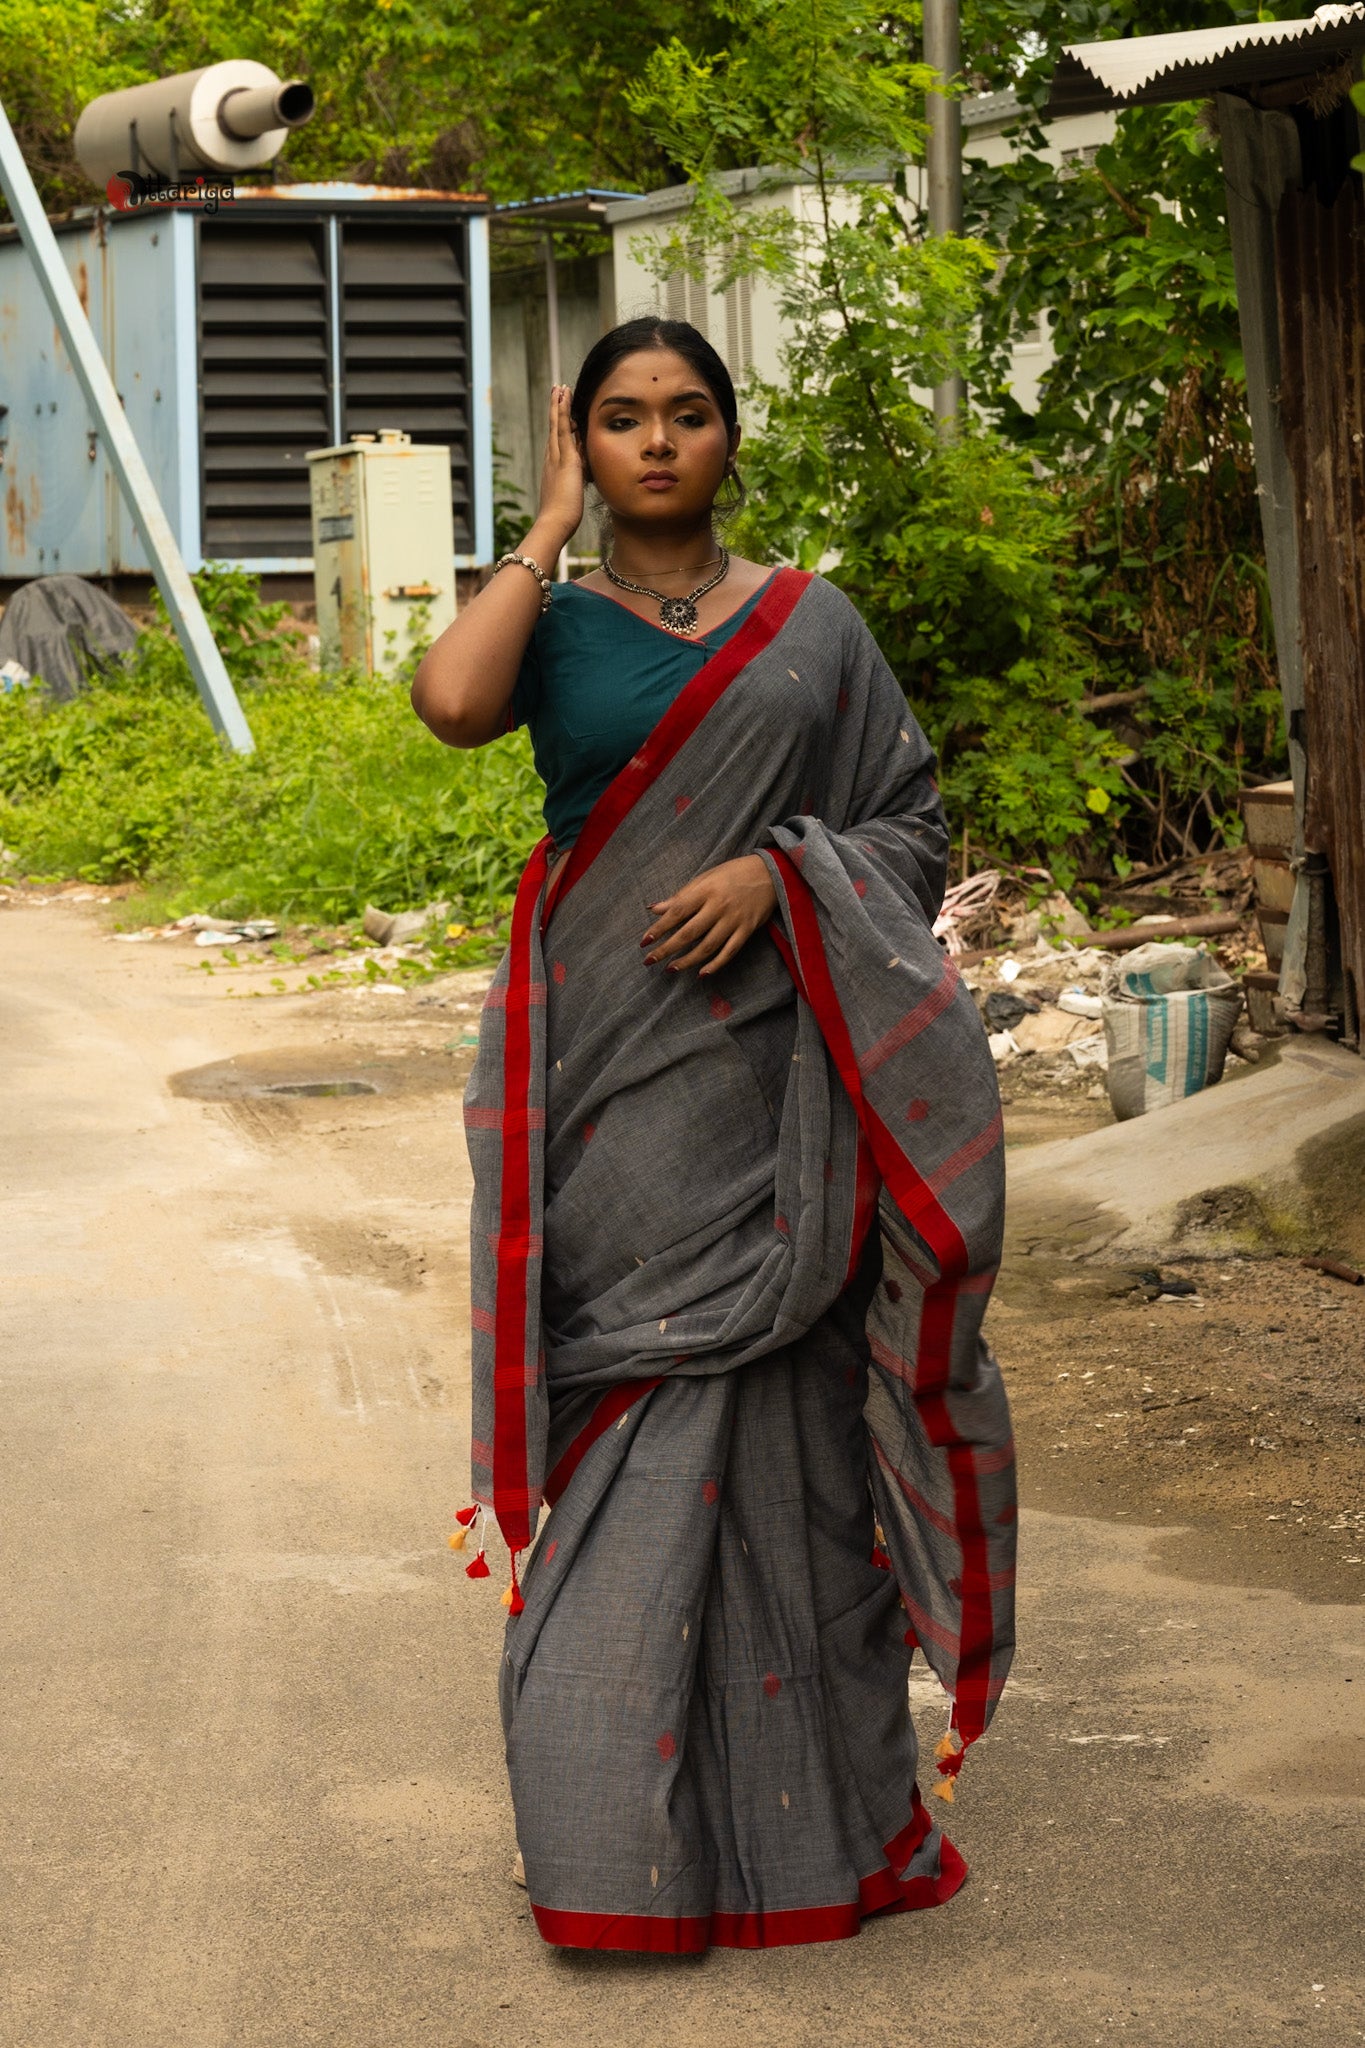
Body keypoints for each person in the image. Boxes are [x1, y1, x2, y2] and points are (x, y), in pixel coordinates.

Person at [411, 317, 1015, 1954]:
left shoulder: (812, 627)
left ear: (731, 437)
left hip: (781, 1105)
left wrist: (778, 875)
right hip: (608, 1096)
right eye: (619, 420)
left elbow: (909, 819)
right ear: (584, 445)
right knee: (631, 1424)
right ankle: (608, 1831)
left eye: (686, 415)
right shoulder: (553, 620)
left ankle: (812, 1842)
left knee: (793, 1472)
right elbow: (448, 704)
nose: (656, 443)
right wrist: (536, 531)